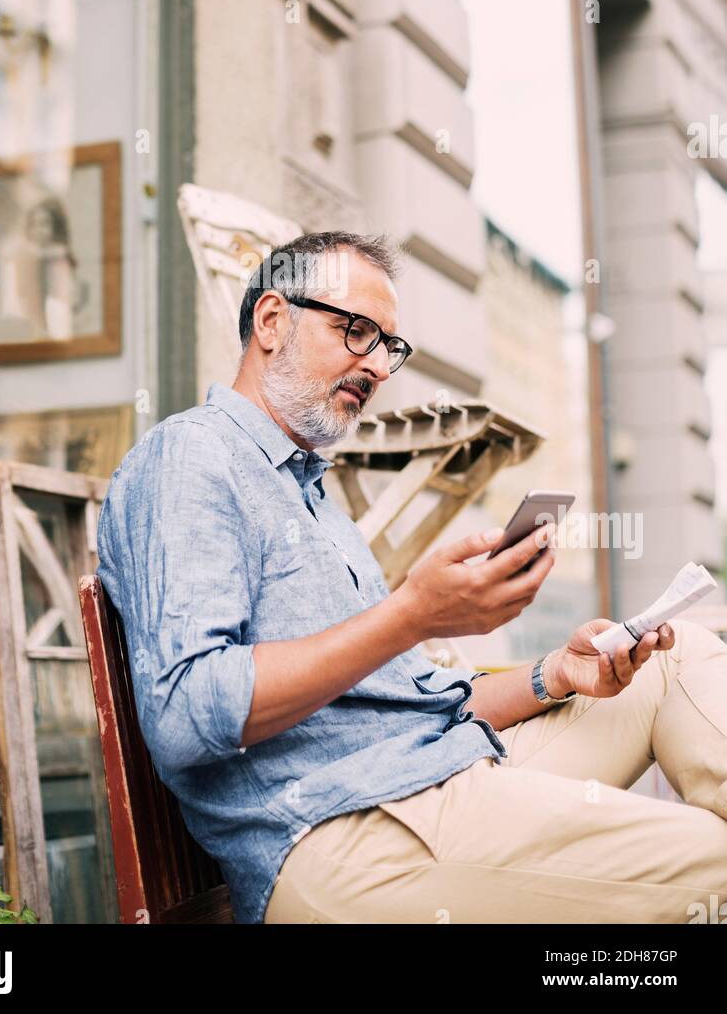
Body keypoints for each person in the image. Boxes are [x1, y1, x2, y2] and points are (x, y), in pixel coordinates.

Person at [96, 231, 727, 924]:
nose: (378, 367)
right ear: (271, 321)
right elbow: (186, 713)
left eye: (389, 347)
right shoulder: (192, 459)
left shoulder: (313, 497)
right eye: (357, 332)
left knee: (682, 654)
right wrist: (413, 614)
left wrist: (557, 674)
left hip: (434, 777)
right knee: (709, 855)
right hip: (344, 836)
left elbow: (421, 704)